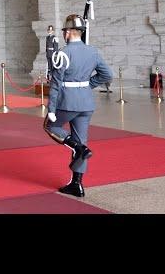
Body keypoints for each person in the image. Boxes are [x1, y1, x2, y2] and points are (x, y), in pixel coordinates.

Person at [44, 14, 113, 197]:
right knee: (81, 139)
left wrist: (51, 109)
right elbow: (107, 75)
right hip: (86, 102)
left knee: (51, 126)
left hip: (68, 102)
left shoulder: (63, 54)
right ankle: (77, 184)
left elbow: (56, 84)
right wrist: (87, 85)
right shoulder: (93, 51)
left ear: (67, 32)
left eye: (65, 31)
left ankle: (79, 149)